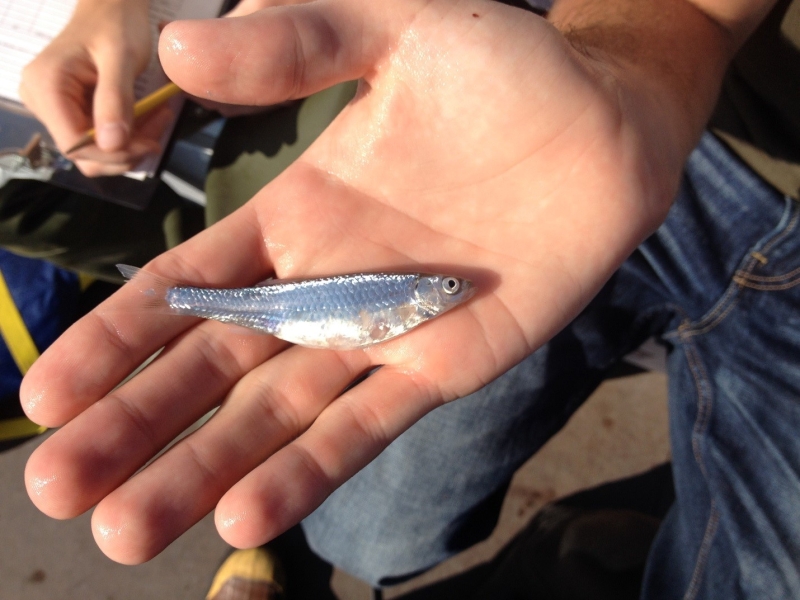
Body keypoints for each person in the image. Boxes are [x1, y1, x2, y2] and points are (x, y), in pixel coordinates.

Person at [18, 0, 800, 598]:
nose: (448, 292)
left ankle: (614, 542)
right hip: (646, 123)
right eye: (446, 289)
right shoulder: (420, 295)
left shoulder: (423, 300)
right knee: (370, 538)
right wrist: (645, 59)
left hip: (697, 160)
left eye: (447, 290)